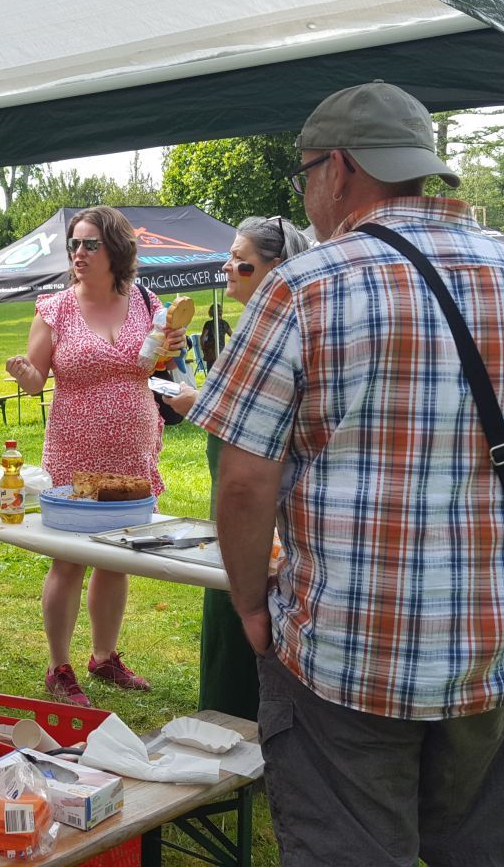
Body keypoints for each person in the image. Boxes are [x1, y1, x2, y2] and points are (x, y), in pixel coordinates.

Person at [189, 82, 504, 865]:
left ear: (339, 169)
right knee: (472, 852)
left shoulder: (302, 286)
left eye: (305, 175)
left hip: (345, 648)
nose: (307, 197)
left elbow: (243, 481)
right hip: (489, 648)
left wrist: (247, 603)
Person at [6, 205, 192, 705]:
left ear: (116, 250)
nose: (79, 253)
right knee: (68, 560)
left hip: (134, 450)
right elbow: (36, 381)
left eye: (91, 244)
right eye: (74, 244)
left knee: (117, 558)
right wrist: (24, 373)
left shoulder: (146, 303)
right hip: (74, 452)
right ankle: (58, 667)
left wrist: (170, 347)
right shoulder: (55, 309)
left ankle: (104, 657)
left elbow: (157, 365)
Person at [196, 216, 310, 721]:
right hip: (237, 525)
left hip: (270, 530)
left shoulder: (282, 329)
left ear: (276, 268)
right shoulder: (248, 327)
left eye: (240, 259)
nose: (227, 266)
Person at [198, 303, 230, 371]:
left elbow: (202, 338)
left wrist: (203, 348)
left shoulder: (208, 324)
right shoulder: (225, 324)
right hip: (222, 351)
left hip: (211, 352)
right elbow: (232, 336)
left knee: (211, 371)